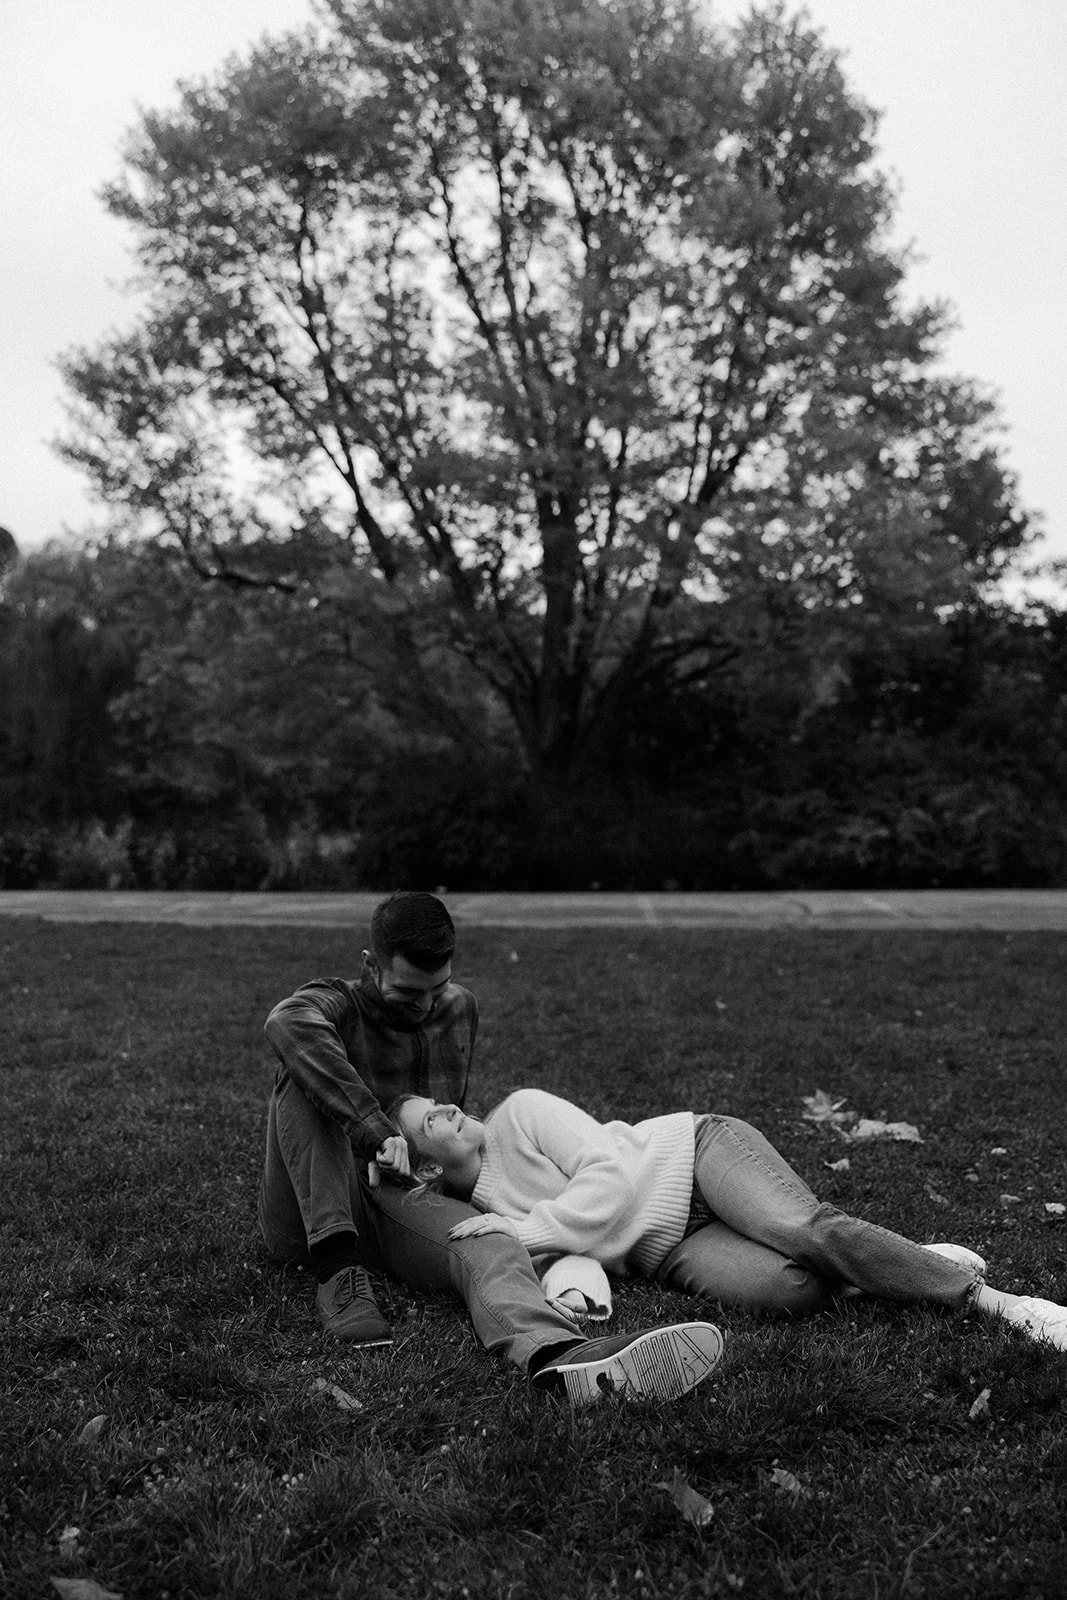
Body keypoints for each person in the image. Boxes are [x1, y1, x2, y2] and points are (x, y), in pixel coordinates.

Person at [257, 891, 725, 1407]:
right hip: (311, 1207)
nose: (424, 1006)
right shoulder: (335, 1003)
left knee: (491, 1241)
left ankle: (561, 1358)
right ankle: (339, 1267)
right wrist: (373, 1130)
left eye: (436, 989)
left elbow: (444, 1131)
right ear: (371, 965)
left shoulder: (457, 1009)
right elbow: (286, 1022)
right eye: (407, 993)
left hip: (398, 1198)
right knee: (301, 1066)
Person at [390, 1086, 1067, 1352]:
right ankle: (911, 1261)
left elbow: (610, 1177)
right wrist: (566, 1279)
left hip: (694, 1155)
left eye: (439, 1102)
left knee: (808, 1229)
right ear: (424, 1167)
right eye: (429, 1121)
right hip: (670, 1247)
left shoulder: (520, 1112)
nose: (446, 1109)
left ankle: (998, 1304)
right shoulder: (481, 1214)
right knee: (793, 1291)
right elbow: (579, 1254)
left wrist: (527, 1233)